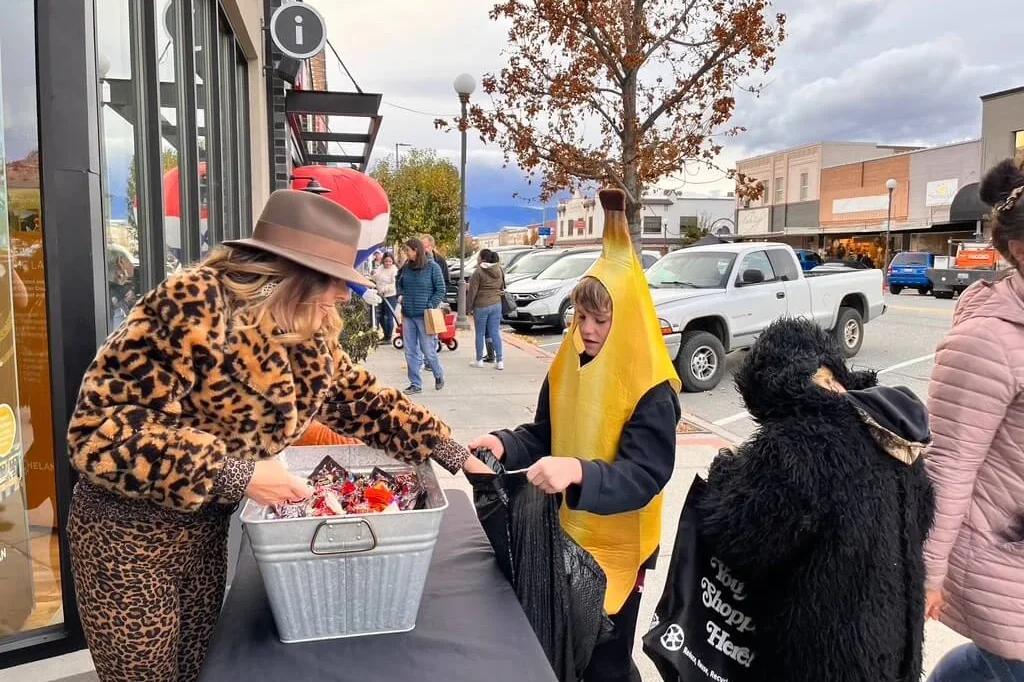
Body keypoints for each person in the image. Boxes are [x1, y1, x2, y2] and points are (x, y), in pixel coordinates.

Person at [65, 190, 471, 682]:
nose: (344, 295)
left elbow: (364, 401)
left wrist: (450, 450)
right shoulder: (188, 307)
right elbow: (100, 431)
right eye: (334, 281)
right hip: (125, 540)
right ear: (291, 275)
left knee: (199, 669)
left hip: (204, 535)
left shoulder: (306, 329)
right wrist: (235, 473)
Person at [470, 190, 681, 682]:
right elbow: (545, 433)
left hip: (621, 547)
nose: (585, 330)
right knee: (572, 645)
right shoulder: (568, 364)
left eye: (600, 321)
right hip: (570, 532)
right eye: (580, 318)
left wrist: (578, 473)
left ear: (625, 321)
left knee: (606, 654)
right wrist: (506, 443)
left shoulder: (652, 387)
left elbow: (646, 475)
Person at [698, 317, 934, 682]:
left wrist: (726, 473)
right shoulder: (887, 423)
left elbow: (742, 539)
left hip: (826, 655)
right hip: (896, 643)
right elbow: (924, 512)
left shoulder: (792, 447)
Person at [923, 157, 1024, 682]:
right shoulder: (989, 342)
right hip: (1005, 560)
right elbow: (949, 464)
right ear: (1020, 248)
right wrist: (928, 573)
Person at [396, 237, 446, 394]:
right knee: (410, 350)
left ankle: (438, 374)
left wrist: (430, 304)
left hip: (424, 315)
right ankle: (415, 384)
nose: (406, 253)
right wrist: (400, 294)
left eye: (408, 251)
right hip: (408, 315)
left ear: (416, 250)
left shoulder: (433, 267)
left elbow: (440, 289)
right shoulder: (406, 267)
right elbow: (400, 283)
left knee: (427, 350)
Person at [467, 248, 504, 370]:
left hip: (481, 305)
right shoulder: (499, 269)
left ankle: (479, 360)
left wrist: (468, 308)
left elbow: (472, 292)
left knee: (480, 333)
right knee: (495, 333)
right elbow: (503, 286)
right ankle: (499, 361)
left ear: (482, 259)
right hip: (496, 304)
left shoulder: (478, 272)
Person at [371, 251, 399, 342]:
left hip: (390, 296)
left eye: (390, 261)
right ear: (383, 261)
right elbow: (376, 277)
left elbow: (394, 284)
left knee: (388, 316)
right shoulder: (380, 268)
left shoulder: (394, 270)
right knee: (381, 316)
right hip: (380, 295)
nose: (388, 263)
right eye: (386, 261)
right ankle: (385, 334)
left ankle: (389, 336)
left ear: (392, 262)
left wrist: (384, 289)